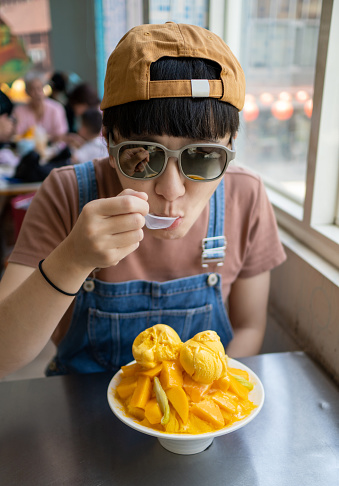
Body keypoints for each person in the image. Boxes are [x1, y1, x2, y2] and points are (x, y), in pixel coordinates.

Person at [0, 22, 286, 378]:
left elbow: (248, 328)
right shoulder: (65, 194)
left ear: (230, 148)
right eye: (143, 154)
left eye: (202, 157)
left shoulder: (246, 197)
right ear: (107, 139)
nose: (171, 189)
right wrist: (71, 260)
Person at [12, 74, 68, 143]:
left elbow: (61, 135)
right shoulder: (19, 111)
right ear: (27, 92)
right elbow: (16, 135)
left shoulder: (56, 109)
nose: (37, 93)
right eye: (32, 89)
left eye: (39, 88)